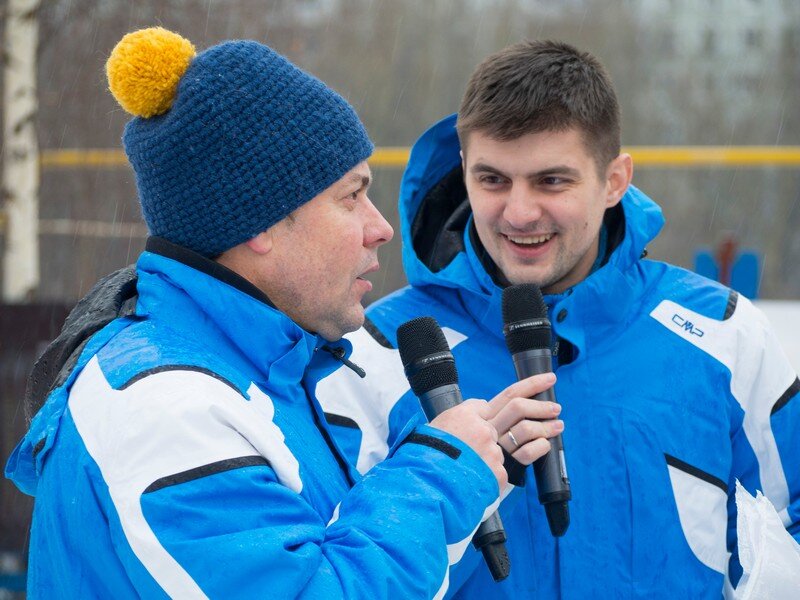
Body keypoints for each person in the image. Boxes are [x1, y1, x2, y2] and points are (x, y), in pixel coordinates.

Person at [4, 28, 563, 598]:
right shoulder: (160, 409)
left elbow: (356, 552)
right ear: (261, 226)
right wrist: (444, 476)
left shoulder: (287, 365)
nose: (380, 227)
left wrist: (481, 470)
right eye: (351, 196)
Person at [315, 40, 800, 598]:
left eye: (551, 181)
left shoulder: (723, 332)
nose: (519, 213)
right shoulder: (375, 351)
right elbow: (333, 568)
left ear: (614, 180)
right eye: (492, 180)